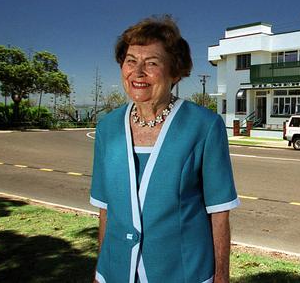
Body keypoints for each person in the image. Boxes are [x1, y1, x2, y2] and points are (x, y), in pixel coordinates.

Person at [90, 15, 239, 283]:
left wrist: (221, 277)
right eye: (131, 61)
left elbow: (219, 213)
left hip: (184, 274)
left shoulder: (205, 126)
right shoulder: (107, 128)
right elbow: (105, 211)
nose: (138, 72)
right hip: (115, 273)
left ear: (175, 71)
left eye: (152, 63)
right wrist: (101, 270)